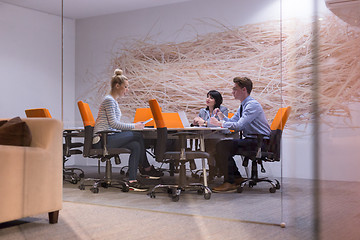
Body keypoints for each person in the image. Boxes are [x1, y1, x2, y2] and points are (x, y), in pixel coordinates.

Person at [93, 68, 162, 191]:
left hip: (109, 136)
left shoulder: (112, 101)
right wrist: (134, 126)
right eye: (125, 87)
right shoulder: (109, 100)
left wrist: (134, 126)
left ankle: (132, 180)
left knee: (135, 145)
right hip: (102, 139)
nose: (127, 90)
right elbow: (114, 124)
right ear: (117, 85)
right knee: (137, 135)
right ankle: (146, 168)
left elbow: (115, 124)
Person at [209, 77, 271, 192]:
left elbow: (239, 126)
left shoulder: (252, 105)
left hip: (259, 142)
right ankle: (236, 178)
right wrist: (221, 116)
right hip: (253, 140)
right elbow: (234, 121)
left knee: (222, 146)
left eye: (235, 89)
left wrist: (220, 123)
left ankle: (230, 182)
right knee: (222, 145)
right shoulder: (244, 105)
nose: (232, 91)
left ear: (244, 90)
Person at [192, 90, 228, 181]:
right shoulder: (202, 111)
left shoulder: (222, 110)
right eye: (207, 97)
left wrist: (204, 122)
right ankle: (213, 170)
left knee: (210, 147)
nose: (208, 99)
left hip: (219, 136)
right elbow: (200, 125)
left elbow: (220, 124)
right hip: (206, 137)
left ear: (217, 100)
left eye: (211, 98)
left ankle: (212, 171)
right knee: (208, 145)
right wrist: (195, 122)